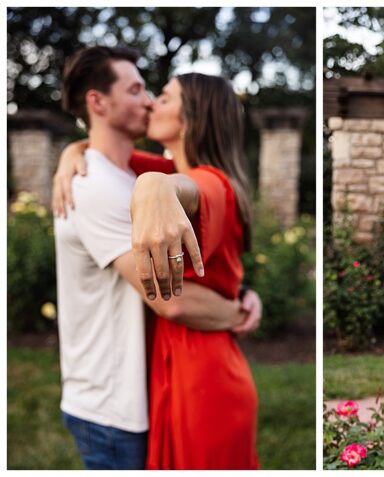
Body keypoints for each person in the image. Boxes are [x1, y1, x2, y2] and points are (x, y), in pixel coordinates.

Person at [54, 46, 260, 469]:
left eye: (161, 96)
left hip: (198, 370)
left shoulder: (202, 181)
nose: (149, 101)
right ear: (98, 101)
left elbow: (195, 190)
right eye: (141, 90)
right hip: (156, 373)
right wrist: (72, 152)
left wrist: (156, 188)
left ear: (190, 120)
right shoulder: (127, 174)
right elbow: (112, 156)